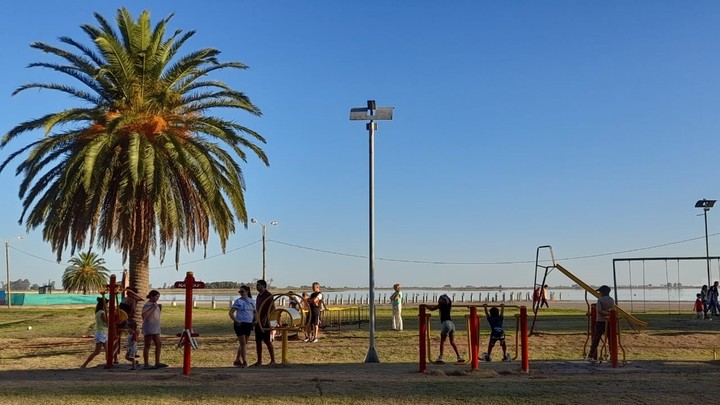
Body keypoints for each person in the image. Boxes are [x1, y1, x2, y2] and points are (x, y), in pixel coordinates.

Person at [426, 294, 464, 364]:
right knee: (452, 342)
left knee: (442, 341)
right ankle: (459, 356)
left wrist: (425, 305)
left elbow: (431, 308)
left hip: (446, 323)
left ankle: (441, 357)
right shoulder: (448, 305)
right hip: (452, 324)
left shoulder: (441, 305)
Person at [587, 285, 615, 364]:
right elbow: (612, 308)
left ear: (602, 292)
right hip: (609, 321)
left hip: (600, 321)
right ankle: (612, 355)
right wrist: (609, 314)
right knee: (610, 339)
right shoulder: (611, 300)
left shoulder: (600, 300)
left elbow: (599, 310)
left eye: (600, 292)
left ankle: (591, 355)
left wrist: (605, 313)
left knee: (596, 338)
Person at [229, 285, 255, 368]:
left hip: (248, 324)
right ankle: (244, 361)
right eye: (240, 292)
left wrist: (255, 320)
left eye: (242, 291)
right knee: (243, 343)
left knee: (243, 343)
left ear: (247, 291)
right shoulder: (238, 301)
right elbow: (231, 313)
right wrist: (236, 321)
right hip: (240, 324)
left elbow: (255, 312)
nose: (241, 293)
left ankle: (237, 360)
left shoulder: (251, 301)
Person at [251, 279, 276, 366]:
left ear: (263, 286)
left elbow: (272, 308)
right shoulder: (259, 296)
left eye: (258, 285)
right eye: (256, 285)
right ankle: (259, 361)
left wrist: (267, 317)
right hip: (258, 321)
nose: (257, 286)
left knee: (267, 340)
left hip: (265, 322)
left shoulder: (268, 295)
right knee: (258, 341)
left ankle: (273, 360)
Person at [81, 297, 108, 368]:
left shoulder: (98, 312)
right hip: (101, 333)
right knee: (97, 351)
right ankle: (84, 364)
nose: (107, 305)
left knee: (107, 350)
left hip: (102, 332)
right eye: (106, 304)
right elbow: (106, 322)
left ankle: (108, 363)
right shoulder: (102, 313)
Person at [141, 289, 164, 369]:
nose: (157, 298)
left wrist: (159, 308)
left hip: (156, 328)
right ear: (151, 296)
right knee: (147, 345)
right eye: (156, 297)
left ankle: (157, 362)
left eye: (158, 297)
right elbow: (144, 316)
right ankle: (146, 363)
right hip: (149, 328)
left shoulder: (156, 305)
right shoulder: (148, 305)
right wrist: (153, 308)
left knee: (158, 344)